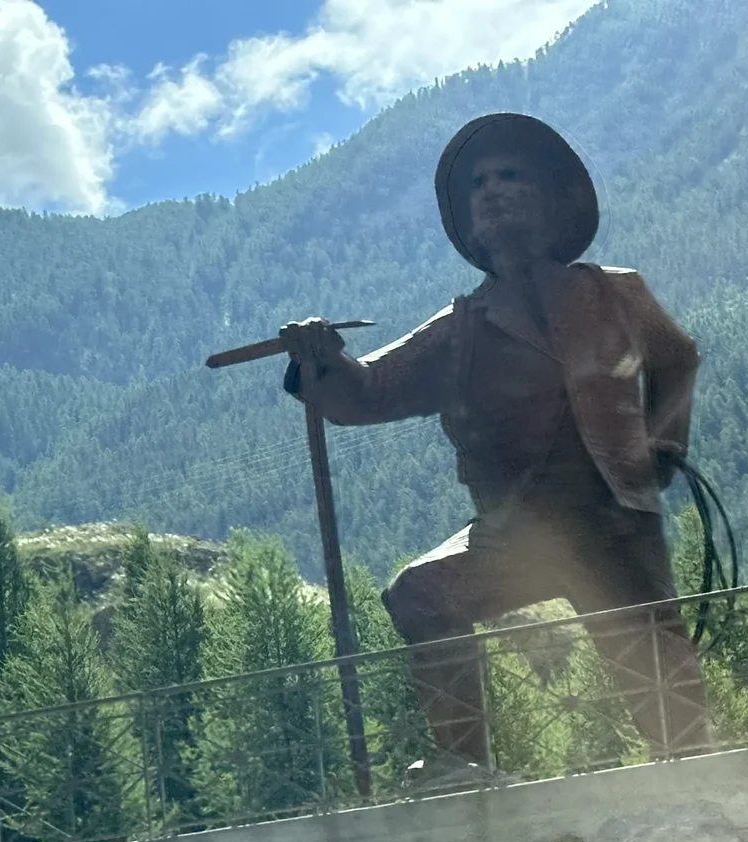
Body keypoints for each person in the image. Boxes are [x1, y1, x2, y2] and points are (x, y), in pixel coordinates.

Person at [283, 113, 713, 784]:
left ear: (550, 195)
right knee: (421, 594)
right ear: (468, 221)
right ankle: (465, 762)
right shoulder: (460, 330)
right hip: (515, 533)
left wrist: (660, 447)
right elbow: (368, 393)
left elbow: (677, 359)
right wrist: (322, 357)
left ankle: (697, 773)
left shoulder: (615, 292)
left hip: (613, 520)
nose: (492, 190)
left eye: (510, 175)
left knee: (655, 668)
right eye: (479, 182)